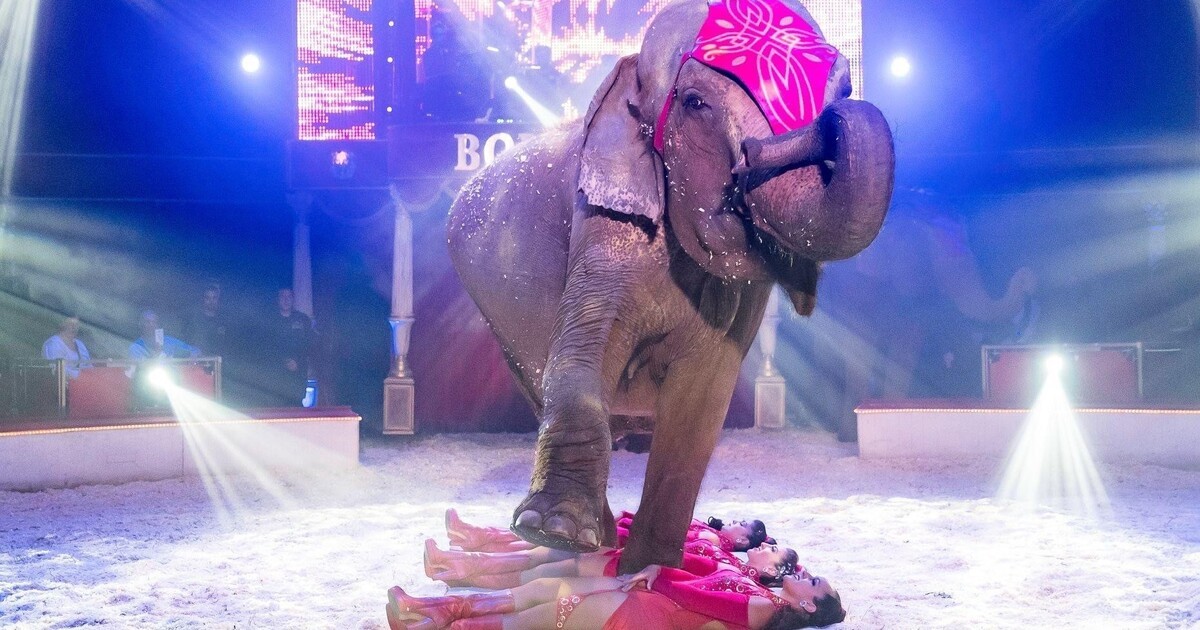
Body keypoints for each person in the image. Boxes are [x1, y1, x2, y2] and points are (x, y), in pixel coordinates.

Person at [387, 565, 844, 629]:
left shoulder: (764, 608)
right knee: (547, 591)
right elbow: (697, 582)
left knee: (542, 615)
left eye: (815, 583)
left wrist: (655, 579)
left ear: (808, 605)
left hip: (640, 614)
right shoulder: (763, 592)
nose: (807, 576)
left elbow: (704, 602)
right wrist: (657, 570)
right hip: (646, 599)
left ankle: (434, 620)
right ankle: (432, 610)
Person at [424, 535, 803, 590]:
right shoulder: (730, 562)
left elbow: (678, 570)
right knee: (537, 558)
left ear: (771, 569)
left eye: (773, 551)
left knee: (536, 571)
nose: (766, 546)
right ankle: (458, 564)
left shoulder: (735, 575)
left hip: (622, 571)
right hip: (624, 559)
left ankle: (459, 569)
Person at [446, 508, 769, 554]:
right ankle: (477, 534)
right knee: (543, 541)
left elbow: (670, 539)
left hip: (624, 542)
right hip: (626, 531)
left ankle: (477, 538)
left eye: (742, 524)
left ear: (742, 539)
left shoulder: (713, 542)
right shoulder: (712, 535)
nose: (734, 521)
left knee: (543, 546)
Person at [263, 288, 314, 406]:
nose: (286, 300)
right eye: (283, 297)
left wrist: (298, 362)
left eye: (289, 297)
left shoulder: (303, 319)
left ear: (293, 299)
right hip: (276, 374)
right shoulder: (270, 320)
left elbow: (308, 346)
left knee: (296, 407)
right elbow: (267, 347)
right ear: (278, 299)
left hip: (297, 374)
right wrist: (283, 361)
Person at [129, 310, 200, 360]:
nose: (151, 325)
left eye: (154, 322)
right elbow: (140, 371)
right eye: (148, 322)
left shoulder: (169, 341)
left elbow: (194, 350)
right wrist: (157, 353)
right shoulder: (136, 348)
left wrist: (194, 354)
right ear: (141, 324)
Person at [182, 284, 228, 359]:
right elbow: (187, 342)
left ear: (218, 300)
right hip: (199, 361)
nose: (211, 301)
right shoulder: (194, 320)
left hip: (218, 361)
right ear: (203, 299)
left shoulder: (223, 321)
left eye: (214, 298)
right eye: (208, 298)